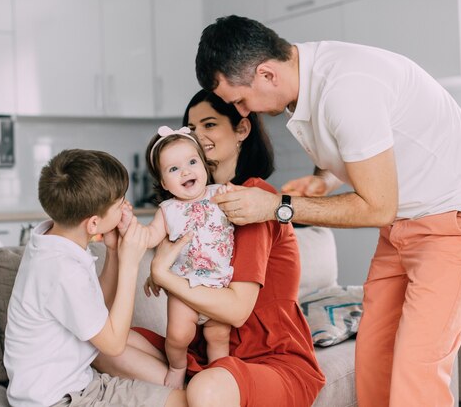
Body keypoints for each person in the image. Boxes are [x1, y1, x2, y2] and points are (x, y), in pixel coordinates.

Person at [194, 15, 461, 407]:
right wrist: (323, 181)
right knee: (374, 359)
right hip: (402, 223)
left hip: (457, 220)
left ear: (266, 74)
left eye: (240, 100)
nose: (243, 111)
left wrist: (278, 207)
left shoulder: (345, 88)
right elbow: (358, 145)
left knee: (416, 371)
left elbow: (377, 206)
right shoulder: (308, 84)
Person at [96, 89, 325, 407]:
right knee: (105, 345)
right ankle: (194, 392)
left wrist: (162, 274)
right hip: (202, 352)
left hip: (269, 357)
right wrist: (116, 240)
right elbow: (158, 240)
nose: (199, 135)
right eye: (192, 128)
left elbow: (236, 309)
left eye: (210, 124)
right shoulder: (180, 209)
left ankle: (200, 393)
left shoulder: (254, 198)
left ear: (241, 130)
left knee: (207, 388)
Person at [3, 149, 185, 407]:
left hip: (79, 384)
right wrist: (130, 264)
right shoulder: (61, 269)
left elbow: (97, 309)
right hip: (56, 400)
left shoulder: (55, 241)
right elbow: (112, 344)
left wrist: (113, 251)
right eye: (119, 202)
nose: (125, 206)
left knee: (185, 395)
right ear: (92, 224)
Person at [142, 125, 234, 390]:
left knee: (219, 336)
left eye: (192, 162)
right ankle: (177, 366)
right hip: (183, 287)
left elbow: (242, 212)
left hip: (218, 287)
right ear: (163, 182)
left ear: (204, 166)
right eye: (173, 169)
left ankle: (220, 376)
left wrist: (234, 197)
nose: (185, 171)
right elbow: (149, 238)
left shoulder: (219, 194)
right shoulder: (167, 210)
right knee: (177, 336)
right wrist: (127, 225)